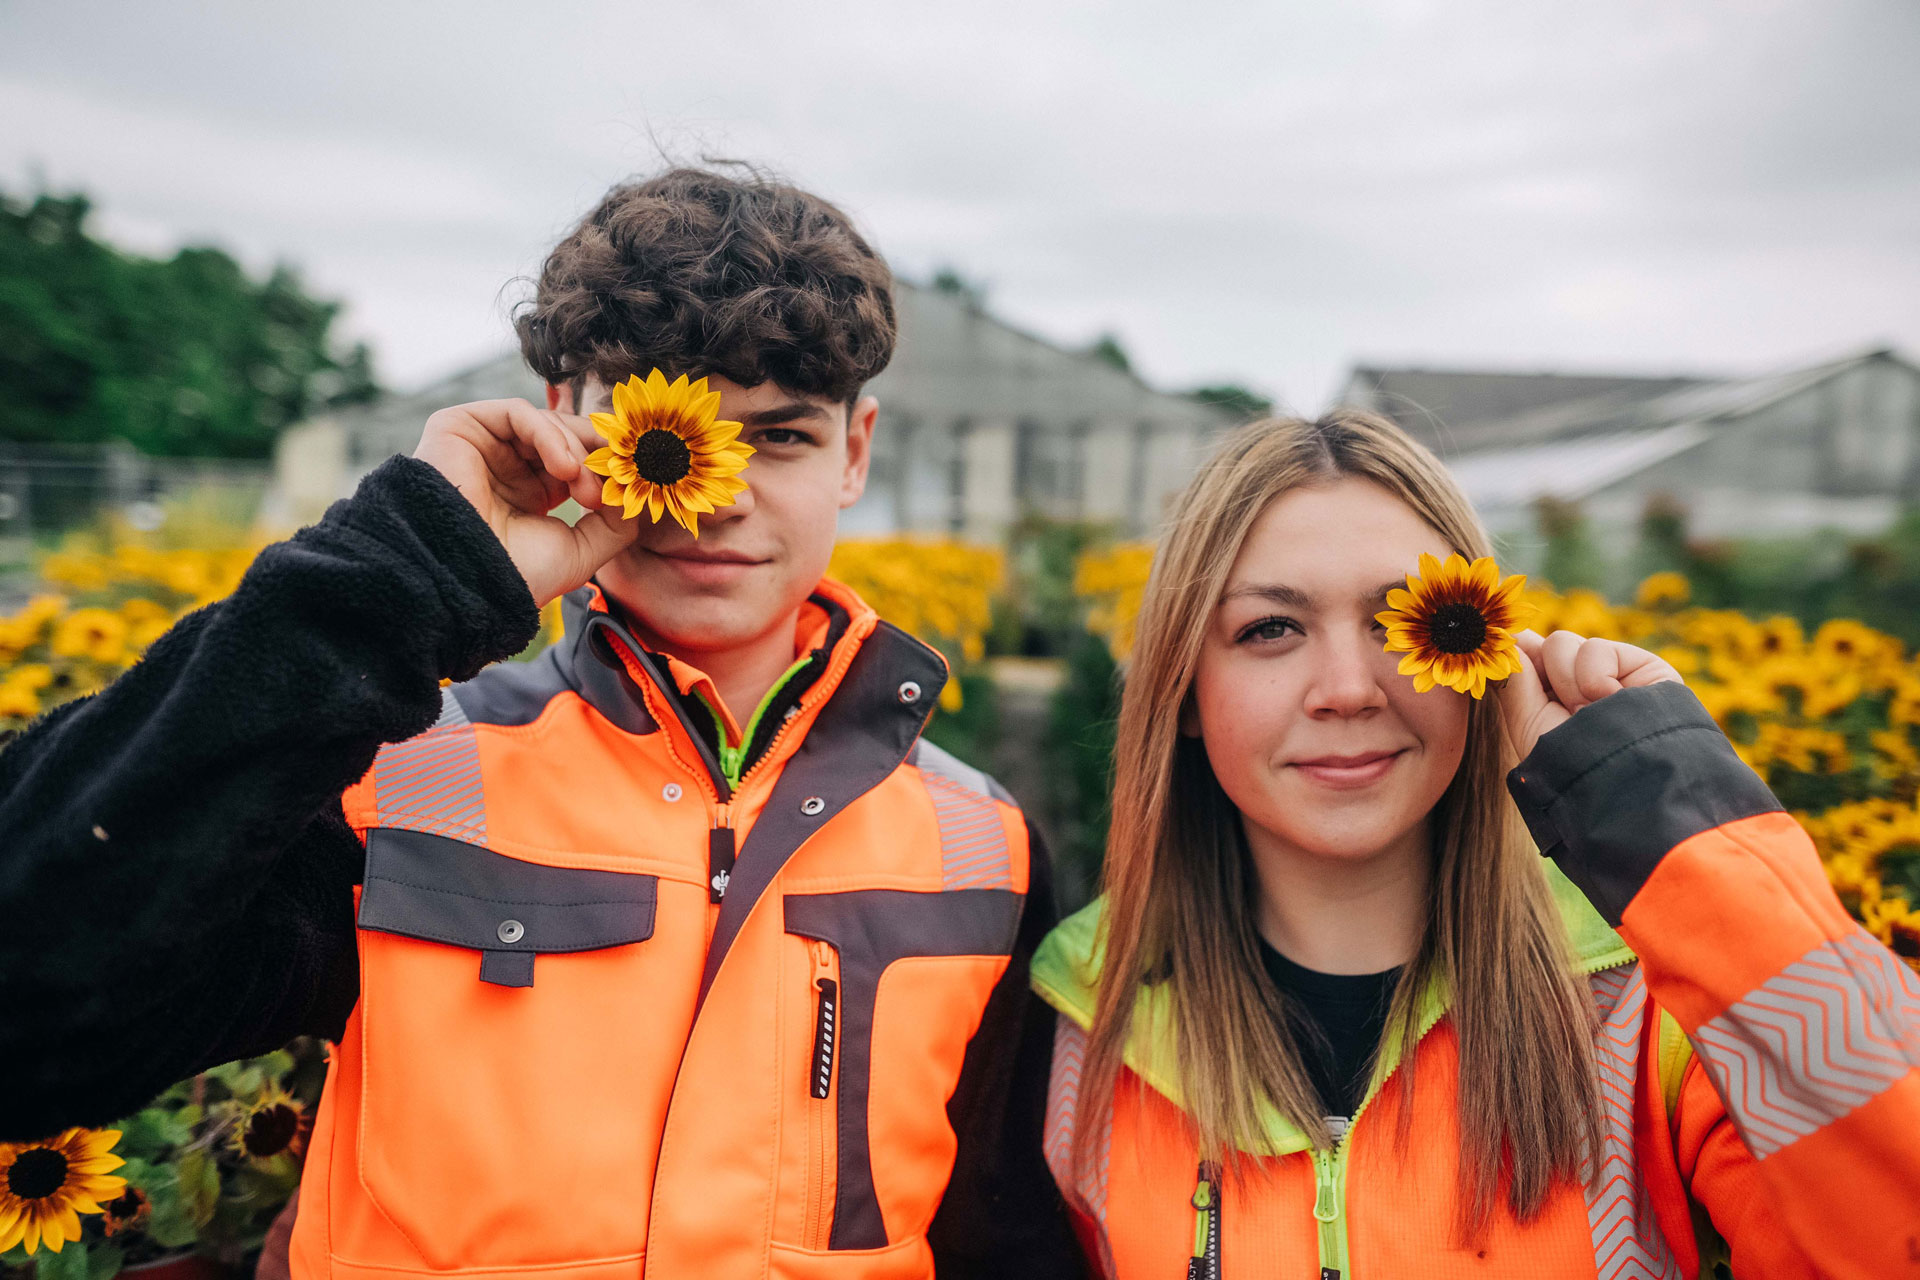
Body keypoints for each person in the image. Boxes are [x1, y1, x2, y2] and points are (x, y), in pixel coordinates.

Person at [0, 166, 1082, 1279]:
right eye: (663, 432)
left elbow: (997, 1236)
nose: (714, 490)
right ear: (560, 419)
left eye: (782, 437)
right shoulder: (400, 781)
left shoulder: (979, 843)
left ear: (855, 451)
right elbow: (29, 1009)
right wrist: (400, 576)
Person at [1030, 410, 1920, 1279]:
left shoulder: (1651, 1013)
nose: (1348, 689)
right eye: (1271, 629)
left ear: (1479, 656)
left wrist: (1664, 804)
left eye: (1401, 622)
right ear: (1182, 690)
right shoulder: (1081, 1017)